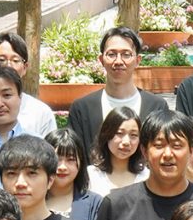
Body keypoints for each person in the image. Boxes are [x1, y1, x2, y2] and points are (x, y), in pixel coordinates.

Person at [64, 26, 174, 159]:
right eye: (111, 54)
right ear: (101, 60)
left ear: (137, 60)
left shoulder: (156, 106)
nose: (118, 61)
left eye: (126, 55)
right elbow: (75, 157)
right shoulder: (82, 108)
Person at [49, 130, 99, 220]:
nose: (62, 167)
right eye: (57, 159)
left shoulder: (95, 204)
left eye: (71, 159)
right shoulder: (30, 200)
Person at [89, 108, 147, 194]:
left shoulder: (147, 177)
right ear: (106, 135)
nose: (126, 142)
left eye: (133, 135)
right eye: (119, 133)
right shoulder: (91, 176)